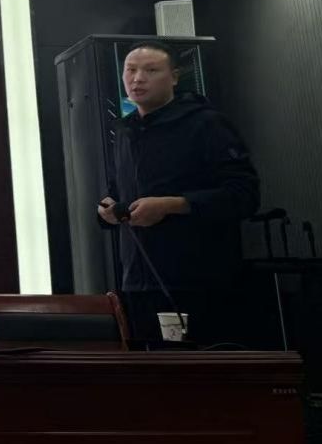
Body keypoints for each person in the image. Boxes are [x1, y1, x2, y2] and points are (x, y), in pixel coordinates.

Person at [98, 41, 259, 344]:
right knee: (149, 368)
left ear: (174, 77)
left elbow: (244, 195)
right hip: (138, 281)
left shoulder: (206, 124)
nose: (137, 79)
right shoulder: (124, 130)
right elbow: (117, 190)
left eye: (151, 70)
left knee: (199, 365)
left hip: (199, 280)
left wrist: (172, 205)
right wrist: (109, 210)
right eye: (130, 70)